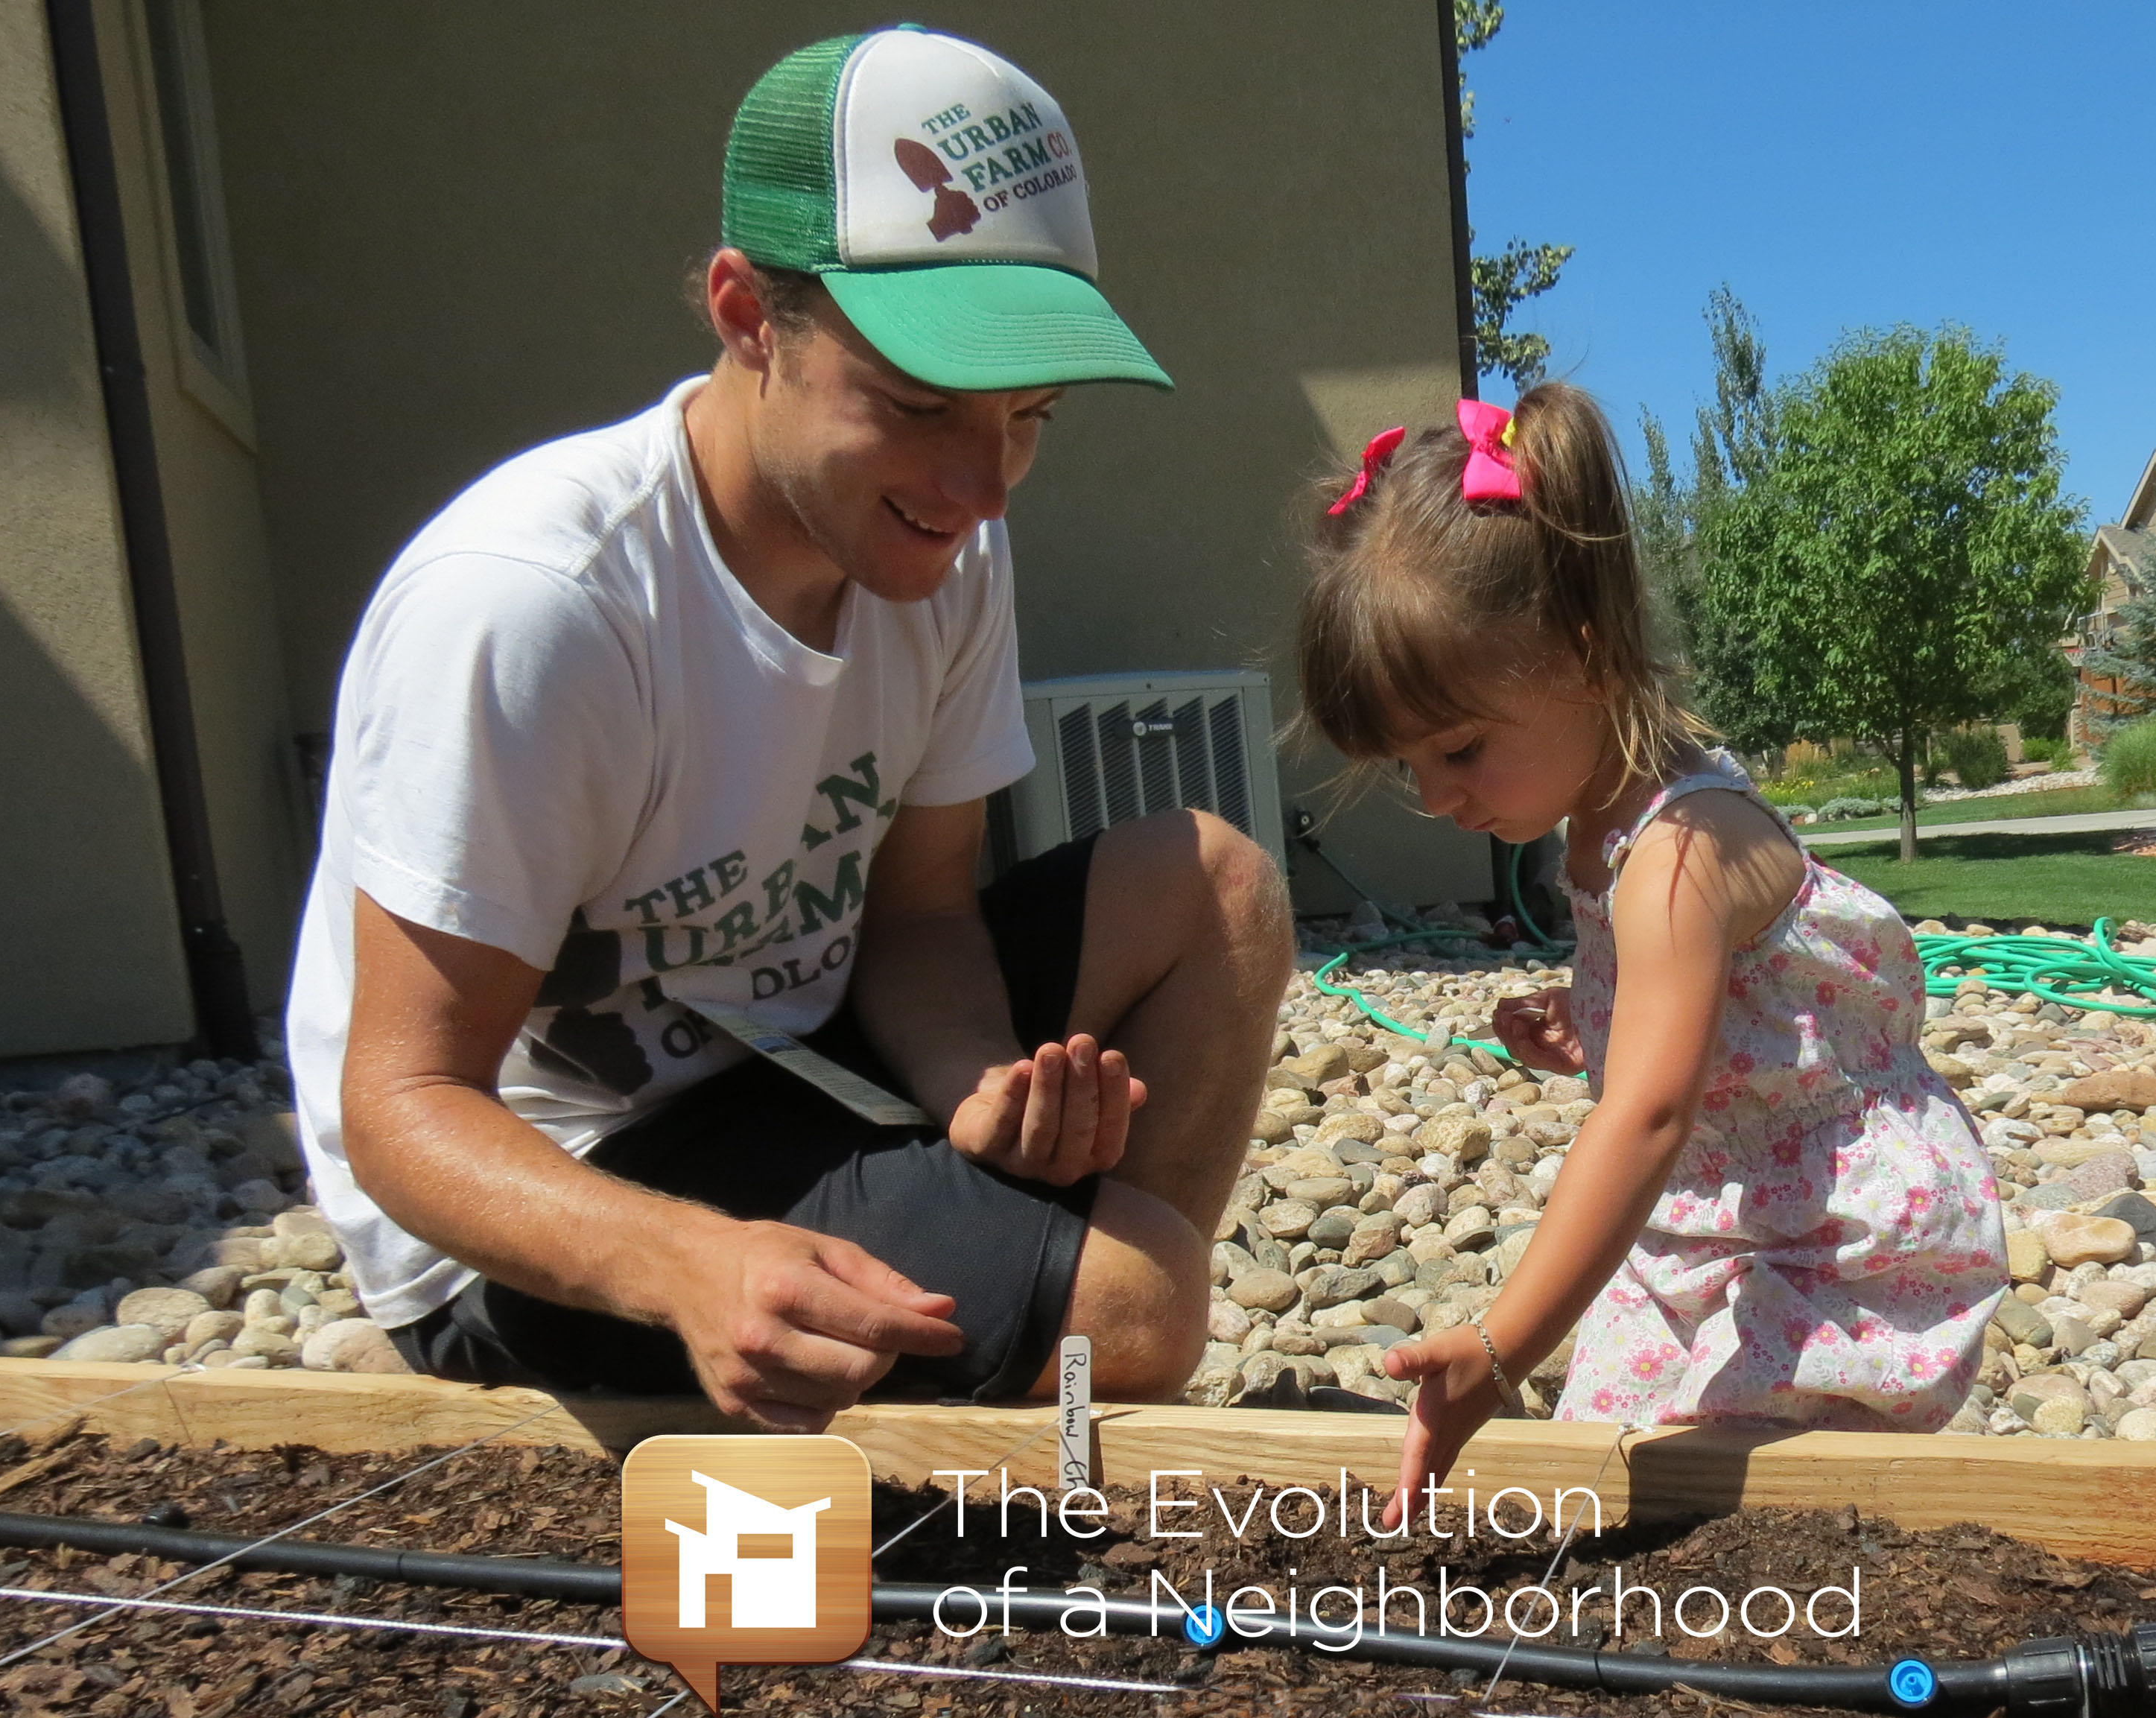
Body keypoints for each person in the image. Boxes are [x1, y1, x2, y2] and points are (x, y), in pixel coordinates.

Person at [288, 28, 1289, 1433]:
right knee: (1142, 1302)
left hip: (793, 1065)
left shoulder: (941, 545)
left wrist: (975, 1087)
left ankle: (1041, 1372)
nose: (982, 485)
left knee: (1217, 889)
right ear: (750, 314)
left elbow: (922, 913)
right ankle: (1058, 1374)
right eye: (918, 405)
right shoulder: (535, 608)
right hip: (559, 1182)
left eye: (1028, 417)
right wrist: (689, 1263)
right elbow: (403, 1105)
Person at [1295, 385, 2006, 1505]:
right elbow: (1727, 1023)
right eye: (1407, 767)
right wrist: (1597, 1021)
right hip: (1715, 1216)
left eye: (1461, 750)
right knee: (1605, 1461)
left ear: (1584, 658)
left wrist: (1498, 1347)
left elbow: (1652, 1114)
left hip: (1828, 1240)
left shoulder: (1676, 855)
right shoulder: (1605, 822)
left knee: (1741, 1499)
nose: (1436, 796)